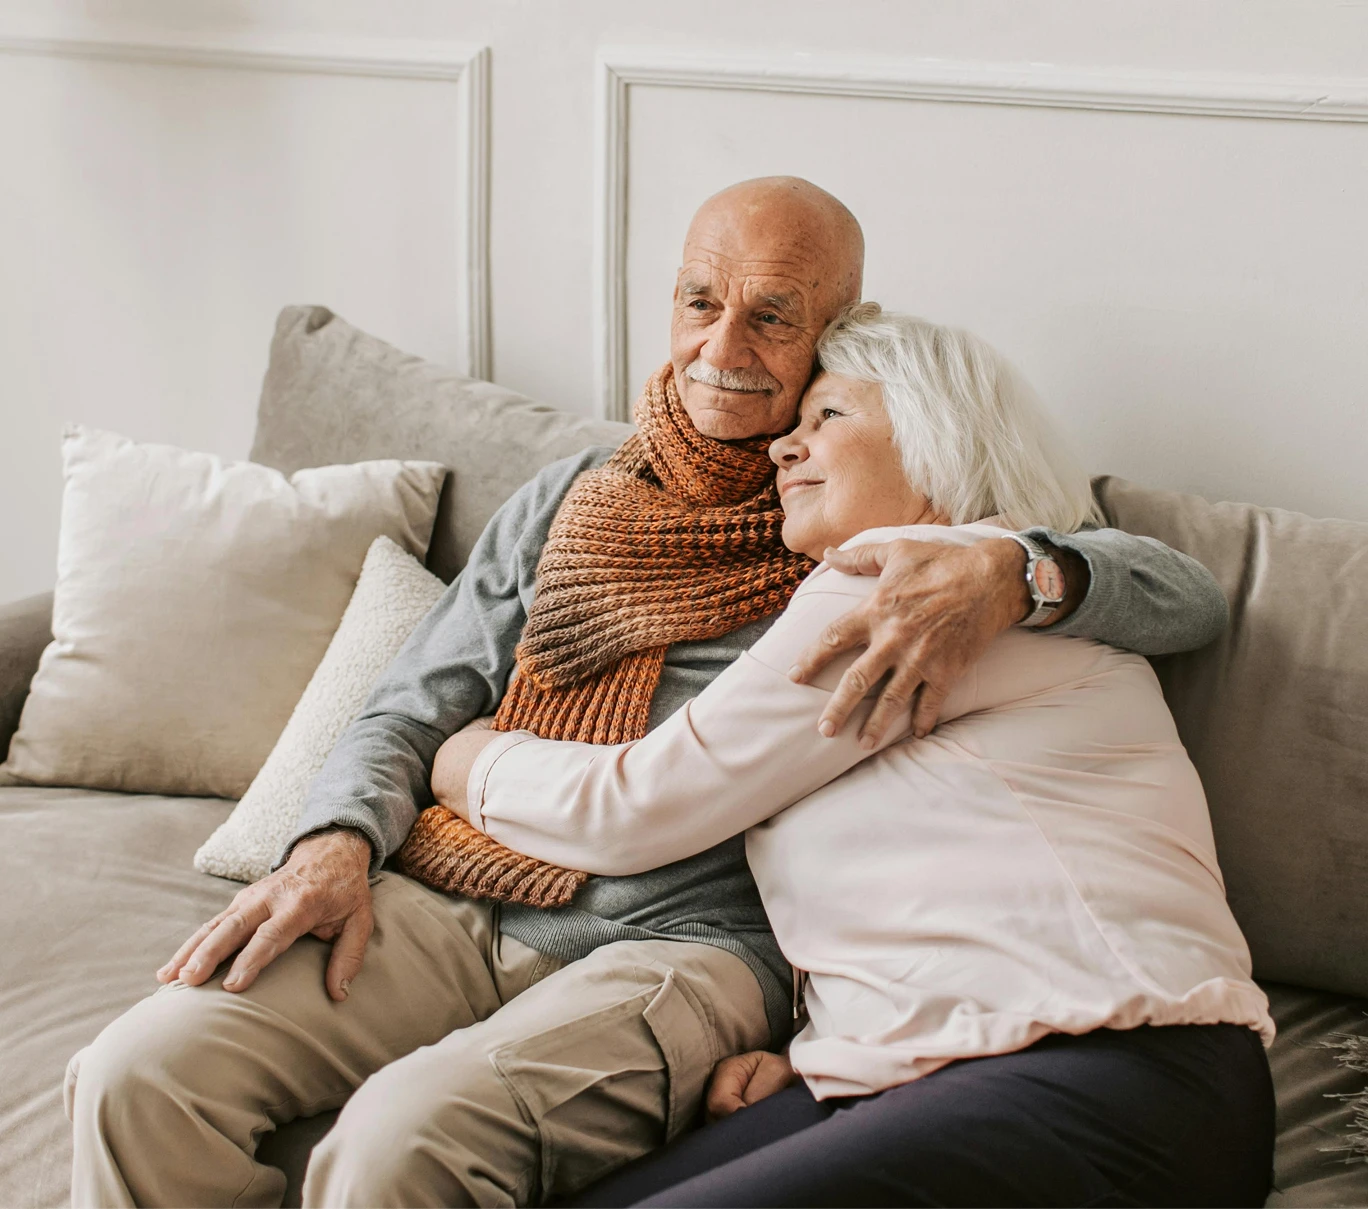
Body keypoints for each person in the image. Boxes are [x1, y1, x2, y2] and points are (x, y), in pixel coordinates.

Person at [66, 180, 1232, 1209]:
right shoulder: (576, 494)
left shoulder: (893, 554)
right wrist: (327, 845)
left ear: (833, 340)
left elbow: (1179, 594)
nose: (722, 344)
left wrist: (1013, 568)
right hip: (467, 885)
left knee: (396, 1148)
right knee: (134, 1078)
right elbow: (411, 703)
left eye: (773, 317)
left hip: (686, 941)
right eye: (697, 302)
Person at [434, 305, 1276, 1208]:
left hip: (1112, 1069)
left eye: (827, 417)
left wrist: (464, 756)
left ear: (938, 434)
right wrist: (814, 1047)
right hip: (939, 1079)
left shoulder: (913, 583)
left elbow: (634, 807)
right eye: (790, 431)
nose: (783, 450)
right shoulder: (988, 588)